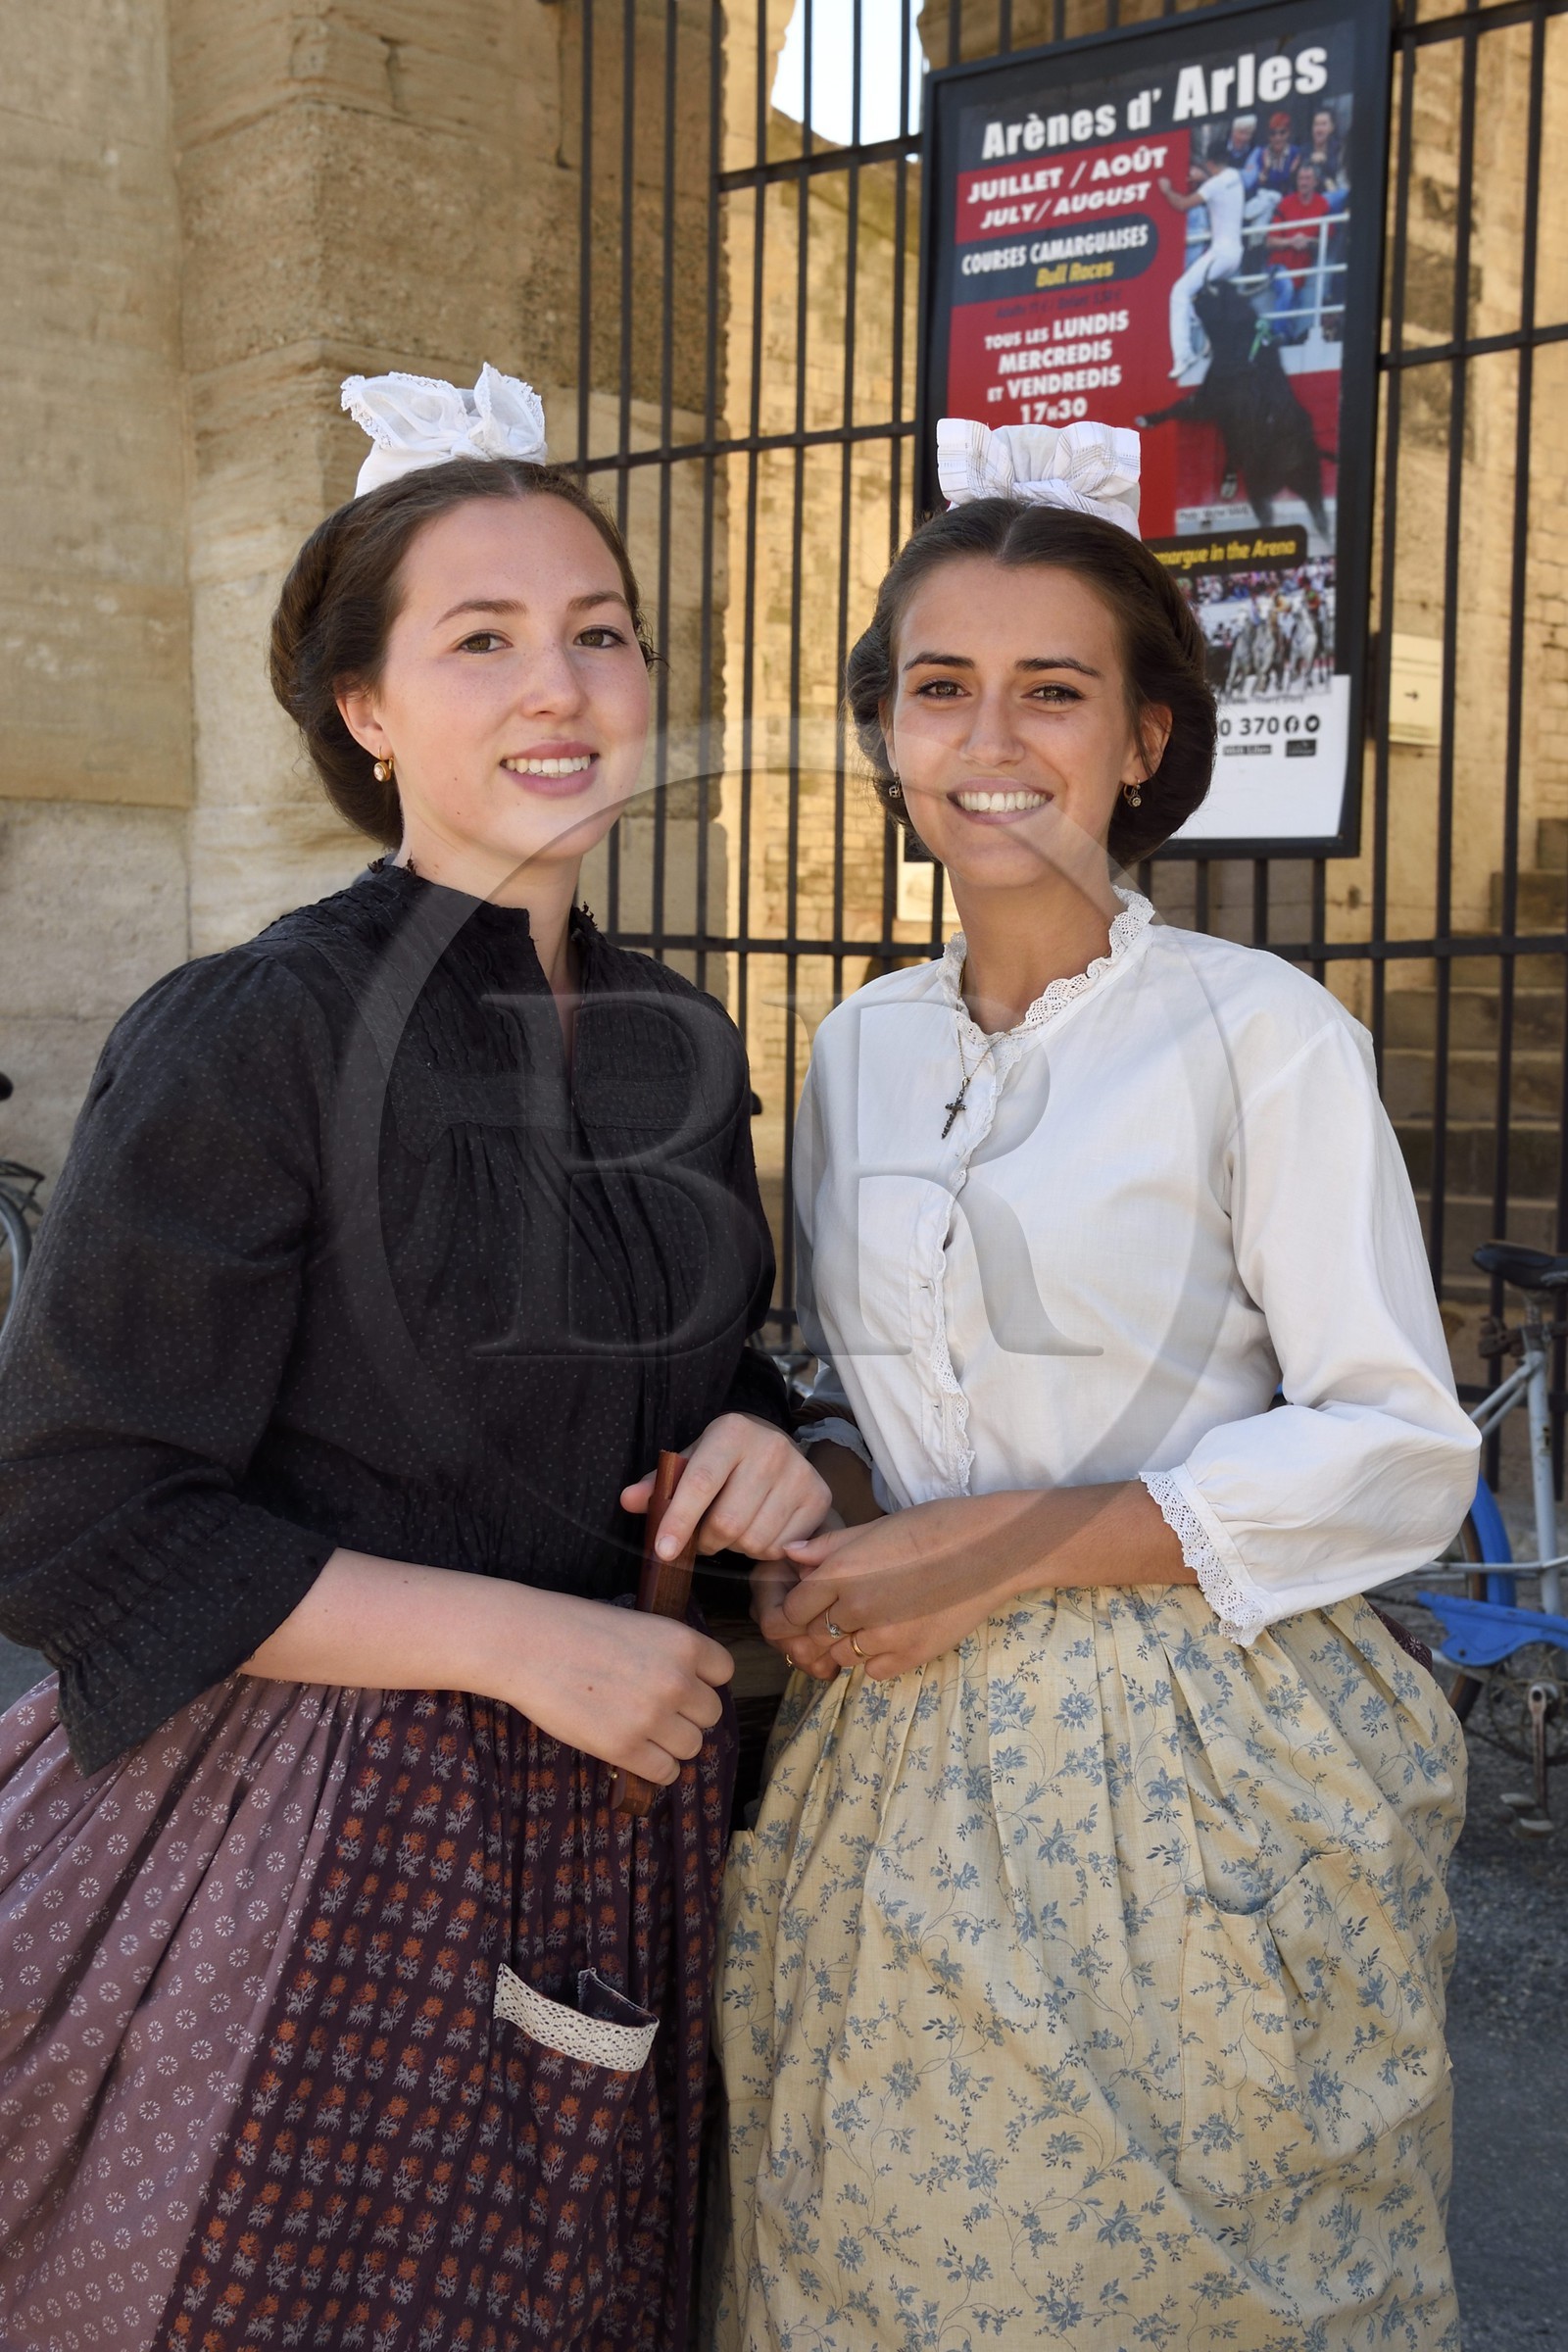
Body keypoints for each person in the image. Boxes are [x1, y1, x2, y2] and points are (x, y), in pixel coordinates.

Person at [0, 365, 829, 2352]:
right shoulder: (250, 1032)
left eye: (598, 633)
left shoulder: (675, 1045)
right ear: (365, 712)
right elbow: (70, 1512)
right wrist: (518, 1641)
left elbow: (708, 1384)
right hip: (290, 1838)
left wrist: (765, 1449)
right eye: (480, 641)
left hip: (618, 1835)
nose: (560, 686)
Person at [710, 416, 1477, 2351]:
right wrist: (819, 1479)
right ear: (883, 732)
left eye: (1052, 691)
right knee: (874, 2260)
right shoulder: (854, 1052)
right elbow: (864, 1388)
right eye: (936, 689)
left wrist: (1004, 1548)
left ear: (1142, 741)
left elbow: (1398, 1453)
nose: (988, 740)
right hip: (890, 1757)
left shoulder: (1258, 1036)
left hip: (1191, 1775)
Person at [1157, 154, 1246, 378]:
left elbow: (1182, 204)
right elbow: (1216, 181)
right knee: (1202, 298)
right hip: (1235, 253)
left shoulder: (1214, 184)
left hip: (1221, 253)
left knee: (1180, 292)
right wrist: (1204, 175)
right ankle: (1213, 341)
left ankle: (1183, 355)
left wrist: (1166, 190)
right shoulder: (1234, 175)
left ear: (1210, 165)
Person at [1267, 159, 1333, 341]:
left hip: (1302, 274)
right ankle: (1275, 335)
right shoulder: (1285, 203)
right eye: (1300, 178)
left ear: (1315, 182)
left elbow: (1326, 240)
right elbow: (1270, 241)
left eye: (1307, 178)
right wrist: (1291, 242)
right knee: (1286, 289)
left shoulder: (1323, 205)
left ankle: (1284, 338)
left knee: (1294, 319)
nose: (1303, 182)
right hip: (1278, 266)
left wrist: (1308, 241)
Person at [1256, 107, 1303, 197]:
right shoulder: (1261, 154)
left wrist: (1292, 174)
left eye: (1282, 132)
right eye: (1273, 133)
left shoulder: (1296, 153)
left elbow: (1293, 186)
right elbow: (1256, 188)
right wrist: (1266, 169)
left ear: (1289, 132)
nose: (1277, 138)